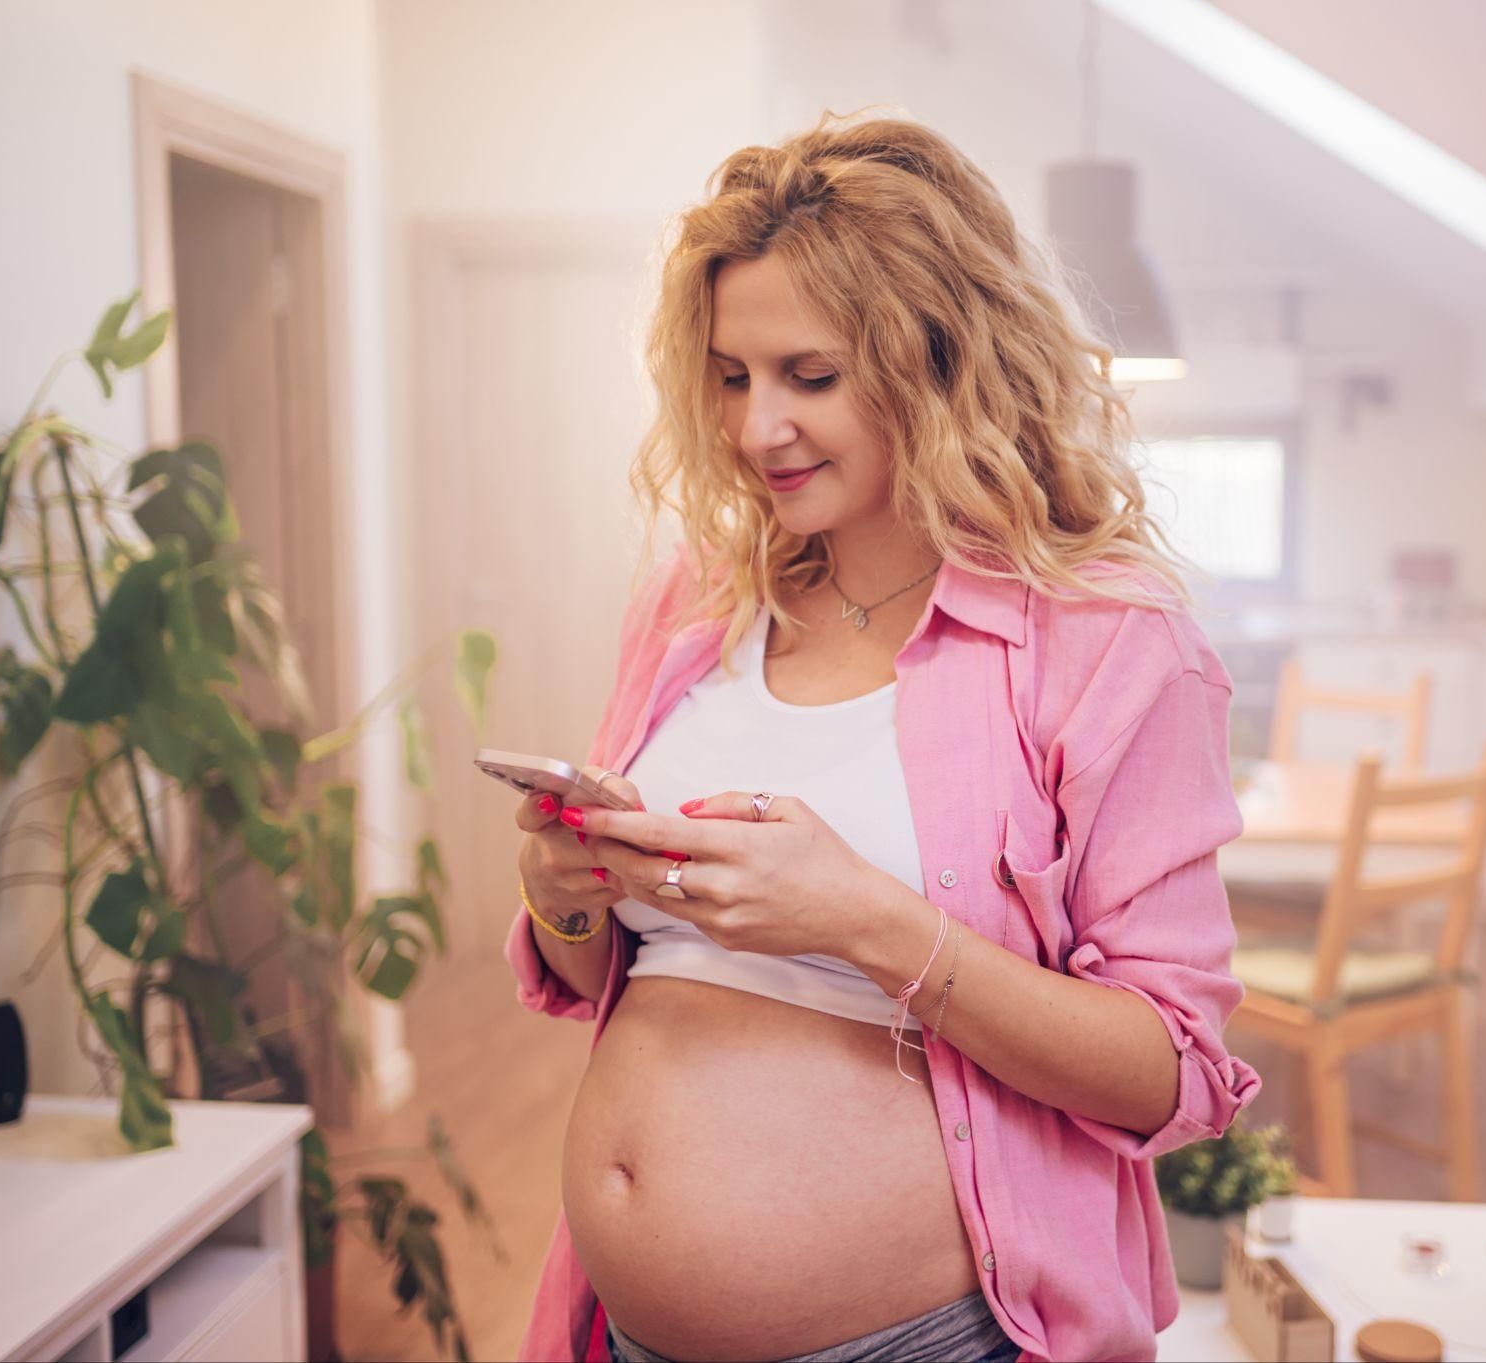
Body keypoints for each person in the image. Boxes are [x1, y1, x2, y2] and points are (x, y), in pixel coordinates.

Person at [505, 113, 1261, 1363]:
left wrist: (858, 917)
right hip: (620, 1328)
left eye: (809, 377)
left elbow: (1169, 1072)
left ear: (940, 361)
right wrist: (562, 896)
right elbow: (609, 978)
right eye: (731, 375)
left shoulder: (1104, 642)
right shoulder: (700, 602)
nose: (756, 430)